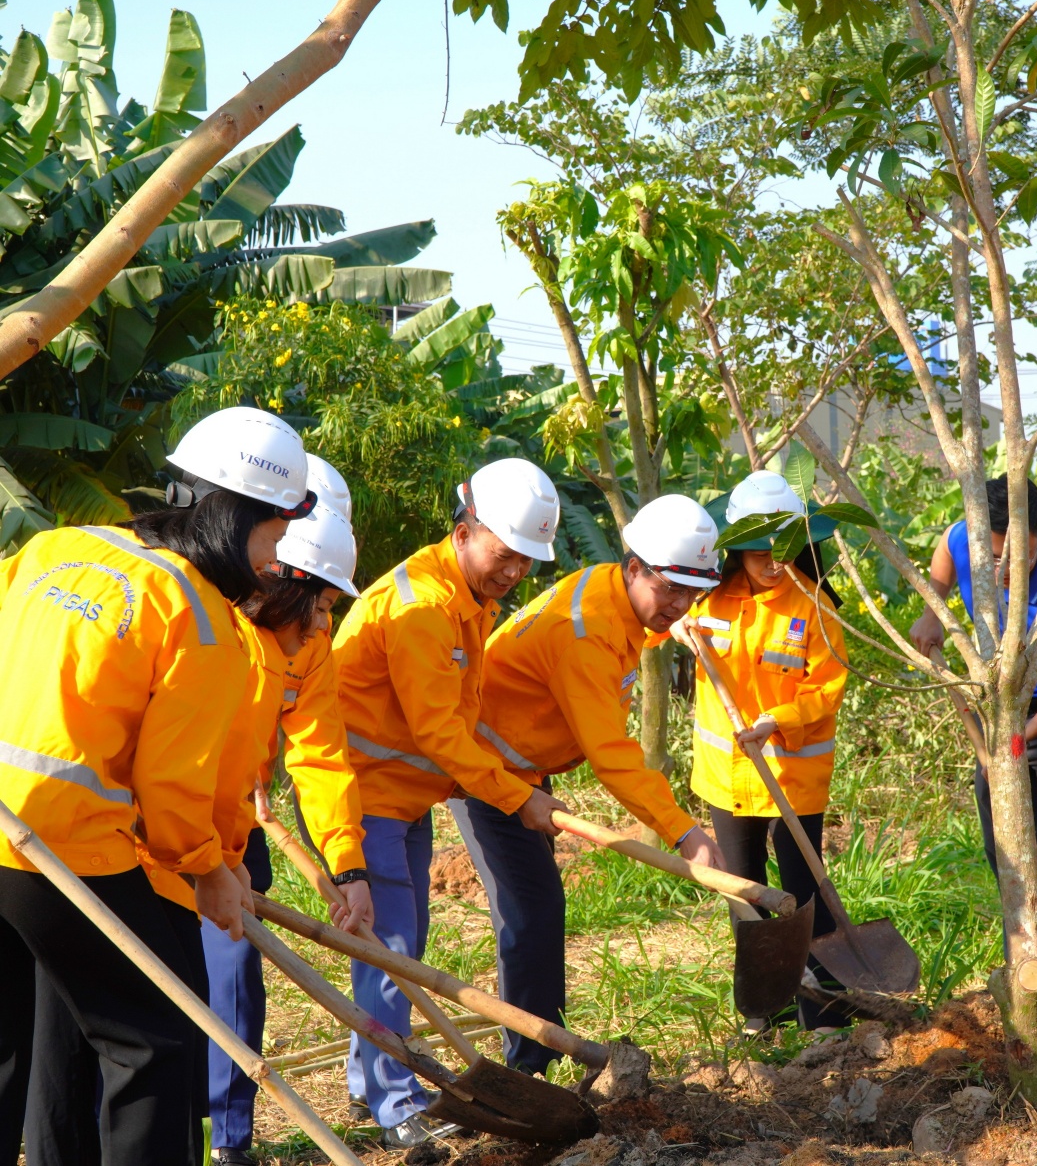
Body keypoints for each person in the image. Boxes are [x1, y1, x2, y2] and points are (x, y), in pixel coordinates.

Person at [0, 406, 313, 1165]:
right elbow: (172, 788)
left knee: (8, 1045)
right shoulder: (200, 617)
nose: (275, 560)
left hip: (10, 823)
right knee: (153, 1041)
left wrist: (220, 864)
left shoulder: (53, 547)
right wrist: (211, 870)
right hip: (62, 847)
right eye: (273, 533)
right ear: (235, 515)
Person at [331, 457, 564, 1150]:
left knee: (398, 943)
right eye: (505, 553)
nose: (515, 570)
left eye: (527, 560)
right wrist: (516, 795)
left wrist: (508, 781)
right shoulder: (423, 607)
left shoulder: (464, 597)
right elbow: (437, 730)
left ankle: (365, 1078)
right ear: (466, 529)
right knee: (393, 947)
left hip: (407, 797)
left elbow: (452, 724)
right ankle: (396, 1101)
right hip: (365, 797)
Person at [456, 493, 728, 1076]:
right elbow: (613, 756)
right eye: (668, 589)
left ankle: (541, 1052)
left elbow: (632, 638)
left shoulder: (610, 590)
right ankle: (528, 1067)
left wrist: (669, 629)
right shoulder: (586, 633)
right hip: (489, 771)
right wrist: (685, 832)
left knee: (538, 909)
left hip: (526, 764)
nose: (678, 605)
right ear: (634, 568)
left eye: (691, 592)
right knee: (530, 911)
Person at [202, 485, 370, 1166]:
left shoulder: (309, 645)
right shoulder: (204, 618)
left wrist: (348, 865)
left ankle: (230, 1139)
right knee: (145, 991)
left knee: (236, 971)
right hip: (150, 829)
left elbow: (322, 754)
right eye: (322, 603)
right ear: (277, 578)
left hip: (234, 827)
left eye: (333, 605)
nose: (326, 621)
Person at [908, 476, 1037, 983]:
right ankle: (1025, 951)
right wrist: (934, 607)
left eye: (1014, 558)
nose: (1002, 571)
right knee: (1005, 834)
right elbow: (948, 545)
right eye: (993, 558)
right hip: (998, 706)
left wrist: (1019, 737)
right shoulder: (968, 542)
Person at [673, 472, 850, 1031]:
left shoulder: (815, 606)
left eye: (783, 549)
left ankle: (821, 1012)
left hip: (792, 775)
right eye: (758, 552)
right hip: (726, 776)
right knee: (743, 892)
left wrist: (778, 720)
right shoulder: (705, 599)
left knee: (803, 894)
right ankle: (760, 1007)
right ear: (738, 550)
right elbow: (648, 620)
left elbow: (826, 685)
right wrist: (674, 624)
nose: (772, 562)